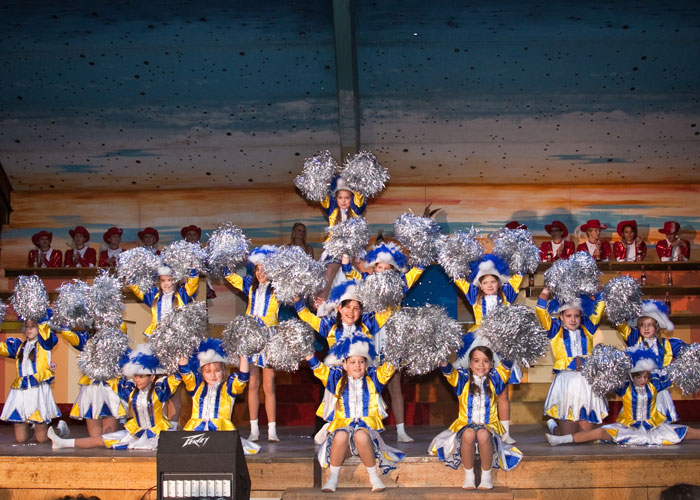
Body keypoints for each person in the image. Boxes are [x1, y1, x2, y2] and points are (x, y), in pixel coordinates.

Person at [341, 241, 425, 442]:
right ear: (374, 268)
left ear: (393, 270)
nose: (383, 271)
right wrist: (344, 247)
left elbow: (419, 268)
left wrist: (422, 245)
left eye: (388, 268)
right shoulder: (366, 282)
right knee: (367, 384)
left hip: (392, 338)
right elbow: (347, 270)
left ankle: (401, 431)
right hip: (370, 338)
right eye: (380, 267)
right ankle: (366, 427)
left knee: (394, 385)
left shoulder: (401, 283)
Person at [304, 333, 404, 493]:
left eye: (361, 362)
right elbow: (318, 369)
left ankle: (374, 478)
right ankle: (332, 479)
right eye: (352, 362)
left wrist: (401, 347)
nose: (357, 366)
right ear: (344, 364)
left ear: (366, 363)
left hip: (367, 437)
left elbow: (389, 367)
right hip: (343, 442)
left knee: (360, 435)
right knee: (341, 435)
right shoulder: (335, 379)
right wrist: (307, 353)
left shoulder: (374, 379)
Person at [545, 346, 700, 447]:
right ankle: (559, 439)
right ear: (632, 376)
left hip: (653, 427)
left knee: (686, 432)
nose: (642, 381)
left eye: (645, 377)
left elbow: (673, 375)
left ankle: (556, 431)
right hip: (629, 428)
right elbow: (606, 381)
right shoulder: (625, 387)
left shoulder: (655, 385)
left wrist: (686, 364)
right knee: (599, 433)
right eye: (639, 377)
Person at [48, 345, 181, 450]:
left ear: (152, 377)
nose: (137, 380)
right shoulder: (130, 391)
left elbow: (175, 379)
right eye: (135, 376)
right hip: (136, 433)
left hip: (158, 435)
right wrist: (103, 362)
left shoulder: (159, 391)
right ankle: (62, 443)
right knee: (102, 439)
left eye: (141, 377)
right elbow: (112, 380)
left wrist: (181, 364)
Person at [429, 346, 522, 490]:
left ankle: (486, 476)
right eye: (476, 361)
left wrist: (515, 343)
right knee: (469, 433)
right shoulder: (462, 380)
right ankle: (469, 476)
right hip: (465, 425)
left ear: (492, 364)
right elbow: (448, 370)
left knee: (483, 434)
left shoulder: (496, 380)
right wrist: (439, 355)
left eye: (486, 361)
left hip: (489, 426)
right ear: (470, 364)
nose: (481, 365)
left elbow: (508, 362)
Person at [453, 254, 522, 444]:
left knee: (502, 393)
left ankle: (505, 433)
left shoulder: (506, 296)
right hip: (480, 345)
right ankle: (474, 427)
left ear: (499, 283)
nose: (490, 285)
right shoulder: (474, 297)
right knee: (476, 389)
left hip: (501, 345)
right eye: (485, 282)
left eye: (493, 281)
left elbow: (519, 274)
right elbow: (458, 278)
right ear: (480, 285)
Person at [225, 246, 279, 442]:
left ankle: (272, 430)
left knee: (269, 385)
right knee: (253, 383)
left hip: (270, 336)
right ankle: (254, 429)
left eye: (264, 269)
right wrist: (225, 259)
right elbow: (230, 276)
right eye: (257, 269)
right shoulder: (249, 285)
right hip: (251, 336)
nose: (260, 273)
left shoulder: (279, 288)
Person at [537, 287, 607, 437]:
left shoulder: (588, 328)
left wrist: (594, 290)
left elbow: (600, 306)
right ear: (561, 316)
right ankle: (553, 426)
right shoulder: (555, 330)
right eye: (568, 316)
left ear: (581, 316)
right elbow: (541, 311)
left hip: (586, 383)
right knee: (566, 436)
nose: (573, 319)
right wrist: (545, 293)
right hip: (566, 382)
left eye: (576, 316)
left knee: (585, 436)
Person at [177, 338, 260, 454]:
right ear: (202, 373)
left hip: (221, 430)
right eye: (208, 372)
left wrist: (243, 356)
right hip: (195, 431)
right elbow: (185, 372)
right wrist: (183, 348)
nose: (213, 375)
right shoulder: (196, 387)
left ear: (223, 370)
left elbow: (243, 378)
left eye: (217, 371)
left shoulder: (228, 388)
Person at [1, 310, 66, 443]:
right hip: (21, 391)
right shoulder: (19, 346)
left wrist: (37, 311)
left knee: (42, 439)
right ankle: (32, 428)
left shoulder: (44, 344)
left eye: (33, 326)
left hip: (37, 389)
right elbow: (2, 348)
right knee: (21, 439)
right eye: (27, 326)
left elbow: (46, 331)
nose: (29, 329)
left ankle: (60, 430)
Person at [616, 300, 685, 422]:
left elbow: (689, 352)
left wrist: (676, 367)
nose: (646, 328)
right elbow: (620, 324)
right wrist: (621, 301)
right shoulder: (634, 339)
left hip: (659, 391)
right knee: (637, 424)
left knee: (660, 424)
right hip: (639, 390)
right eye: (642, 325)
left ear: (656, 327)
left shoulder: (668, 344)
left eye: (650, 325)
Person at [58, 326, 127, 438]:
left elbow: (121, 327)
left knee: (108, 437)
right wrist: (66, 321)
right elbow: (67, 334)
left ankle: (122, 430)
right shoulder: (87, 339)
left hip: (110, 388)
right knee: (95, 438)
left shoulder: (116, 338)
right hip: (91, 389)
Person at [129, 265, 200, 337]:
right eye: (163, 280)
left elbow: (192, 284)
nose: (166, 283)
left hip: (177, 334)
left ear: (175, 280)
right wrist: (130, 276)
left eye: (169, 280)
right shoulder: (154, 296)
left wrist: (192, 267)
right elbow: (139, 291)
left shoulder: (182, 294)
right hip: (157, 334)